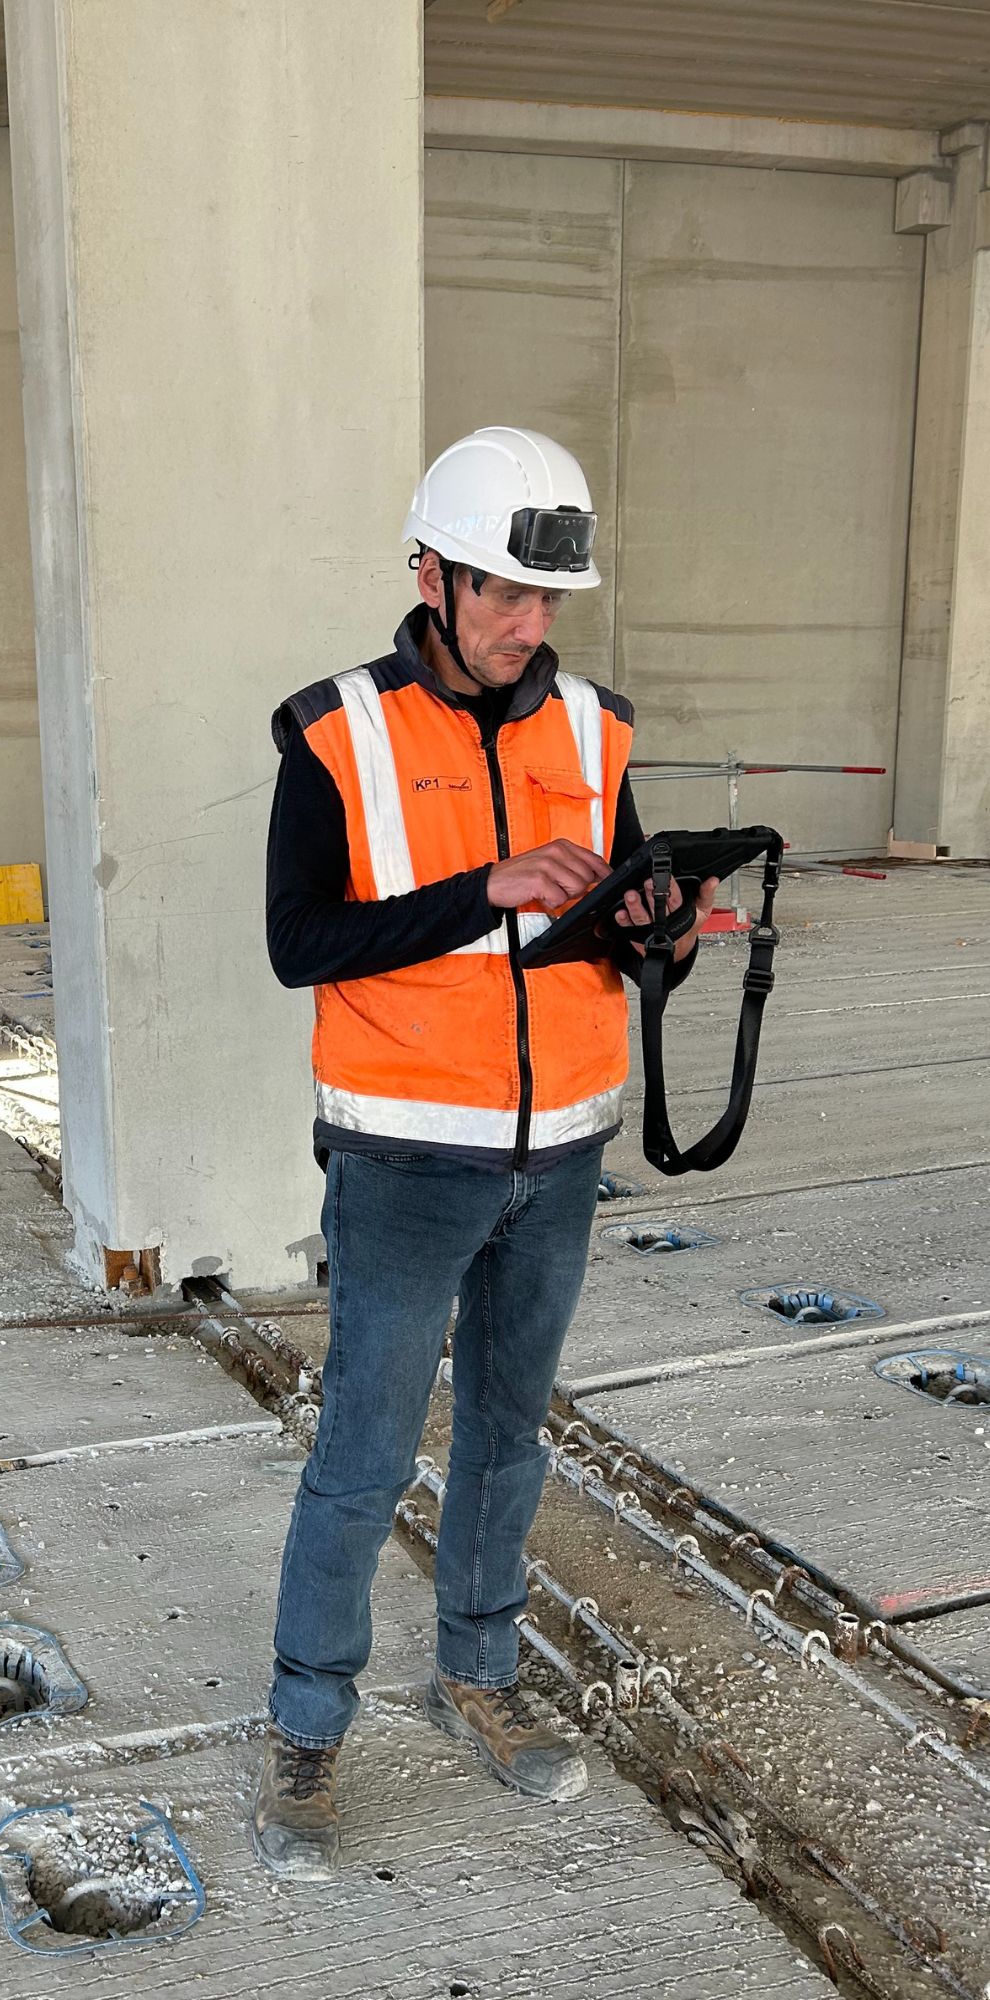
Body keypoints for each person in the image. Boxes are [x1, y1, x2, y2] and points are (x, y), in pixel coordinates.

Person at [252, 426, 717, 1879]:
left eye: (547, 601)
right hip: (401, 1160)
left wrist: (666, 936)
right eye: (503, 594)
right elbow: (298, 945)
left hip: (561, 1153)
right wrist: (483, 888)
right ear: (430, 576)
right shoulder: (333, 732)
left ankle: (477, 1679)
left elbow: (619, 932)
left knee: (508, 1442)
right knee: (364, 1454)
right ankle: (307, 1733)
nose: (528, 626)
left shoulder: (595, 728)